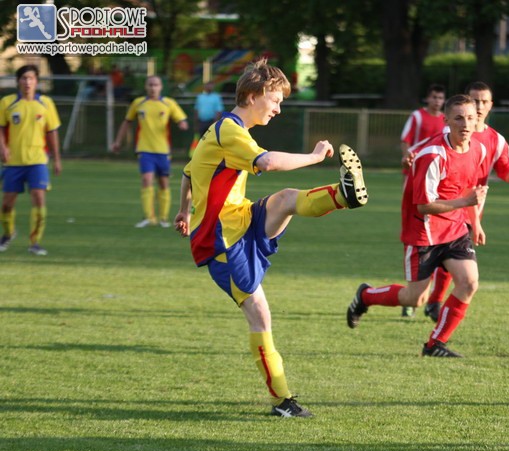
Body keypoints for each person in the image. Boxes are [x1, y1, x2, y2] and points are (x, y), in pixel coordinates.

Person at [174, 58, 369, 417]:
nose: (278, 109)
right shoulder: (229, 131)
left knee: (285, 199)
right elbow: (267, 162)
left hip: (240, 218)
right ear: (252, 95)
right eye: (275, 100)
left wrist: (184, 210)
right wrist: (314, 157)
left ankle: (344, 195)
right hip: (221, 241)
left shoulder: (225, 130)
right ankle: (282, 401)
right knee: (260, 317)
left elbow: (188, 172)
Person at [347, 94, 487, 357]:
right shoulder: (433, 155)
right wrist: (464, 203)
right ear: (446, 121)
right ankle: (365, 296)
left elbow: (470, 189)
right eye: (458, 118)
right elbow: (424, 206)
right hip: (424, 233)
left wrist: (475, 222)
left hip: (455, 230)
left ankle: (434, 344)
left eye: (470, 118)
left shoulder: (478, 149)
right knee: (414, 298)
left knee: (469, 283)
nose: (465, 124)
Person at [424, 81, 509, 323]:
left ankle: (433, 302)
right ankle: (429, 300)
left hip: (471, 209)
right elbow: (422, 152)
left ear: (491, 105)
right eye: (475, 101)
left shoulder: (495, 140)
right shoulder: (449, 133)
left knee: (456, 263)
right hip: (443, 209)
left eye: (484, 102)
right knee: (448, 262)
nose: (479, 106)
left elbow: (507, 173)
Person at [0, 65, 62, 256]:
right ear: (18, 81)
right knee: (7, 204)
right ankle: (8, 234)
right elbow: (1, 128)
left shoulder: (46, 103)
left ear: (37, 81)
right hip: (13, 162)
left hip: (38, 161)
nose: (27, 82)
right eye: (24, 78)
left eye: (31, 78)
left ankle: (35, 242)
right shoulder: (7, 103)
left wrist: (57, 159)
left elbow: (52, 132)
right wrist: (3, 148)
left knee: (38, 198)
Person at [112, 75, 189, 228]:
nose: (153, 88)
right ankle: (149, 217)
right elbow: (127, 122)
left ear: (161, 87)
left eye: (156, 85)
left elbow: (182, 121)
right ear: (146, 87)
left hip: (163, 150)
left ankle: (164, 218)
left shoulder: (168, 103)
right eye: (150, 85)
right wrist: (118, 141)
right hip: (144, 149)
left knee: (163, 183)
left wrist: (182, 124)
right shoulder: (138, 103)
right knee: (146, 180)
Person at [399, 83, 446, 316]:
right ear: (428, 98)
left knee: (440, 240)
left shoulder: (448, 121)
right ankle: (411, 296)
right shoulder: (417, 116)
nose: (437, 101)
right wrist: (407, 159)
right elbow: (406, 141)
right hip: (415, 177)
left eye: (441, 98)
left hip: (438, 184)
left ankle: (430, 299)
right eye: (434, 97)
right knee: (416, 233)